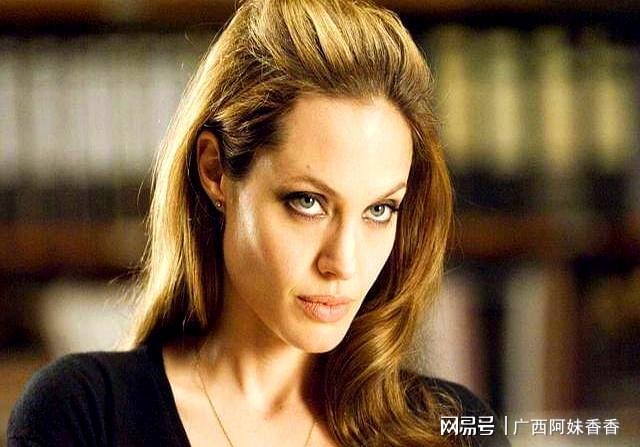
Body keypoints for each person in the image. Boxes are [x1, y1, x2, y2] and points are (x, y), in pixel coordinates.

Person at [8, 0, 510, 446]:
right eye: (308, 202)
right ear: (215, 172)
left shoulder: (452, 429)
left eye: (379, 210)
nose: (344, 263)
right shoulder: (84, 414)